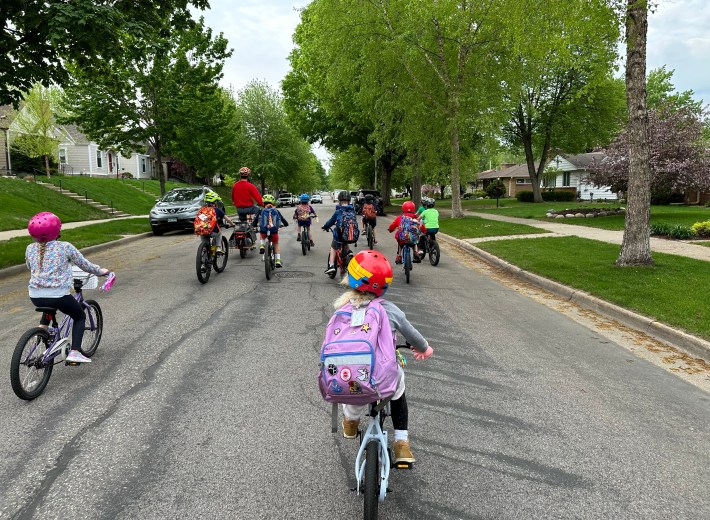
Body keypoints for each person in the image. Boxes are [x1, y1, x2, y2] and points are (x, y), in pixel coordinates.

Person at [335, 250, 433, 464]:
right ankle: (401, 443)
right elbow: (413, 336)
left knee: (351, 384)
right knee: (398, 388)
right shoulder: (390, 310)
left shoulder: (341, 308)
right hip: (383, 375)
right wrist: (424, 349)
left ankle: (351, 422)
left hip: (349, 375)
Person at [25, 212, 111, 364]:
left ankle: (42, 331)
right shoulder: (65, 247)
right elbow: (85, 265)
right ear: (57, 230)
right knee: (79, 316)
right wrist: (101, 271)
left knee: (49, 305)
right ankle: (75, 352)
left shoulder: (30, 248)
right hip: (59, 296)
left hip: (35, 296)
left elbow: (30, 267)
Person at [321, 190, 359, 275]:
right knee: (345, 238)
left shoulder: (338, 212)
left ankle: (331, 266)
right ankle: (349, 252)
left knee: (333, 247)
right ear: (349, 201)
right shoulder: (352, 211)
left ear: (339, 201)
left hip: (339, 236)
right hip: (351, 236)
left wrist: (325, 227)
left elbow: (331, 222)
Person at [258, 194, 289, 268]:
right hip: (274, 231)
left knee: (262, 236)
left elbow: (256, 220)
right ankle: (278, 260)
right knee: (276, 243)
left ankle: (262, 245)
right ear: (273, 203)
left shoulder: (261, 211)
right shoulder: (276, 211)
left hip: (264, 231)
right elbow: (282, 219)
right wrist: (285, 224)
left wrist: (254, 224)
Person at [387, 200, 421, 264]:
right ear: (413, 209)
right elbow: (421, 226)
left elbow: (392, 226)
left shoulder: (400, 218)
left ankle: (399, 256)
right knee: (415, 239)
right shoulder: (416, 218)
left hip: (402, 239)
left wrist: (390, 229)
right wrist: (424, 230)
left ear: (403, 208)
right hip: (412, 239)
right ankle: (415, 252)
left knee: (400, 242)